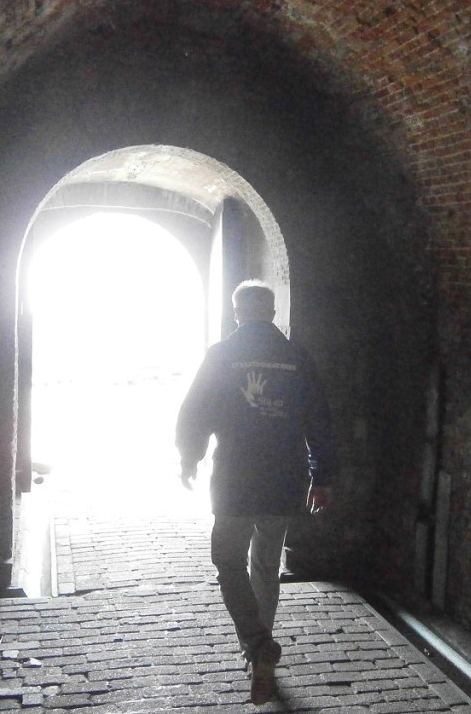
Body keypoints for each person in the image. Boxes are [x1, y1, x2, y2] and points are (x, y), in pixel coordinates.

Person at [176, 280, 337, 705]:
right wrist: (322, 477)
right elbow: (319, 420)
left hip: (234, 478)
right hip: (284, 478)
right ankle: (260, 649)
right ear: (272, 312)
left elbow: (194, 412)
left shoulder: (221, 355)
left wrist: (188, 457)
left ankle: (257, 644)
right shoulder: (296, 358)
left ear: (237, 314)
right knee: (266, 566)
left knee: (227, 561)